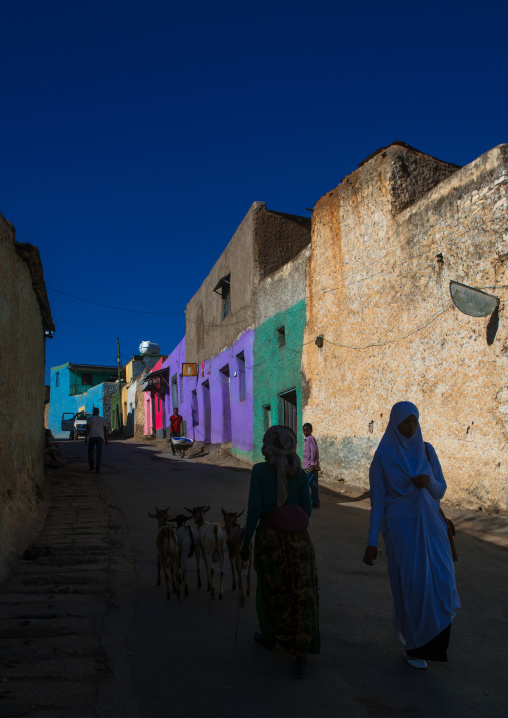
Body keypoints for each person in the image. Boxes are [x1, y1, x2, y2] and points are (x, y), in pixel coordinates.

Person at [363, 401, 460, 670]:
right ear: (395, 423)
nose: (412, 425)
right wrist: (372, 542)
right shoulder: (383, 458)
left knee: (441, 582)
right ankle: (415, 647)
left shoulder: (427, 452)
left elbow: (441, 490)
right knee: (414, 588)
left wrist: (429, 483)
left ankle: (436, 644)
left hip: (433, 530)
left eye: (415, 420)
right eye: (407, 420)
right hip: (402, 535)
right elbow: (378, 503)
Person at [240, 425, 320, 679]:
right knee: (301, 593)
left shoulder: (260, 471)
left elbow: (254, 512)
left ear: (269, 447)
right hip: (300, 542)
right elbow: (306, 509)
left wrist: (245, 543)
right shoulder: (297, 471)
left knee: (270, 590)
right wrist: (291, 521)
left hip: (270, 542)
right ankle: (301, 652)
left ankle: (270, 635)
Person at [84, 407, 108, 474]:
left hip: (92, 436)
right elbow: (105, 429)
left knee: (90, 451)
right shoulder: (102, 419)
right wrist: (106, 439)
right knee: (99, 453)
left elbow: (88, 429)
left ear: (93, 412)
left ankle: (92, 466)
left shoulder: (89, 419)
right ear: (98, 412)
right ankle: (98, 469)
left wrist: (86, 438)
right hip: (100, 437)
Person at [303, 422, 320, 508]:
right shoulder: (307, 439)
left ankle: (304, 502)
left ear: (311, 431)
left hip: (309, 467)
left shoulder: (310, 439)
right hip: (310, 466)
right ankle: (315, 502)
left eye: (307, 430)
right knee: (314, 485)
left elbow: (313, 451)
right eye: (304, 430)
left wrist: (312, 464)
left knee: (304, 483)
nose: (305, 432)